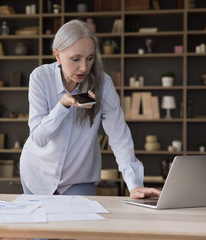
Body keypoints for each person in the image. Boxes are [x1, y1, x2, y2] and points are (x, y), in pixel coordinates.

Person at [19, 19, 161, 199]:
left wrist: (134, 184)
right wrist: (63, 105)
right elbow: (38, 138)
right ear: (57, 55)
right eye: (75, 59)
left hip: (78, 178)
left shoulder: (103, 84)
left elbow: (119, 135)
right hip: (37, 173)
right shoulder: (40, 78)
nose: (84, 68)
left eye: (90, 58)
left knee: (82, 226)